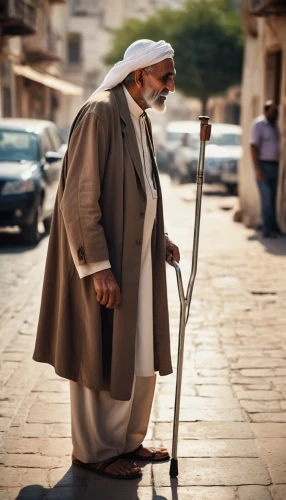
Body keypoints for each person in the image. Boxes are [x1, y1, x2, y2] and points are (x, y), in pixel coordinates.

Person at [33, 39, 180, 480]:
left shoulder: (140, 118)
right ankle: (93, 450)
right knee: (99, 352)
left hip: (140, 259)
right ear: (140, 76)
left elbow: (143, 189)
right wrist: (98, 267)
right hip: (107, 262)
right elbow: (78, 199)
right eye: (166, 77)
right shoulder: (100, 113)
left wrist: (162, 234)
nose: (172, 86)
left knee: (136, 350)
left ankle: (128, 441)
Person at [250, 100, 280, 238]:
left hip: (274, 166)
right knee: (266, 198)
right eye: (273, 111)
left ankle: (273, 226)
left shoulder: (274, 126)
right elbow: (253, 146)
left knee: (272, 198)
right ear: (266, 110)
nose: (276, 113)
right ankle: (267, 229)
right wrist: (257, 168)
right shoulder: (259, 124)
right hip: (263, 166)